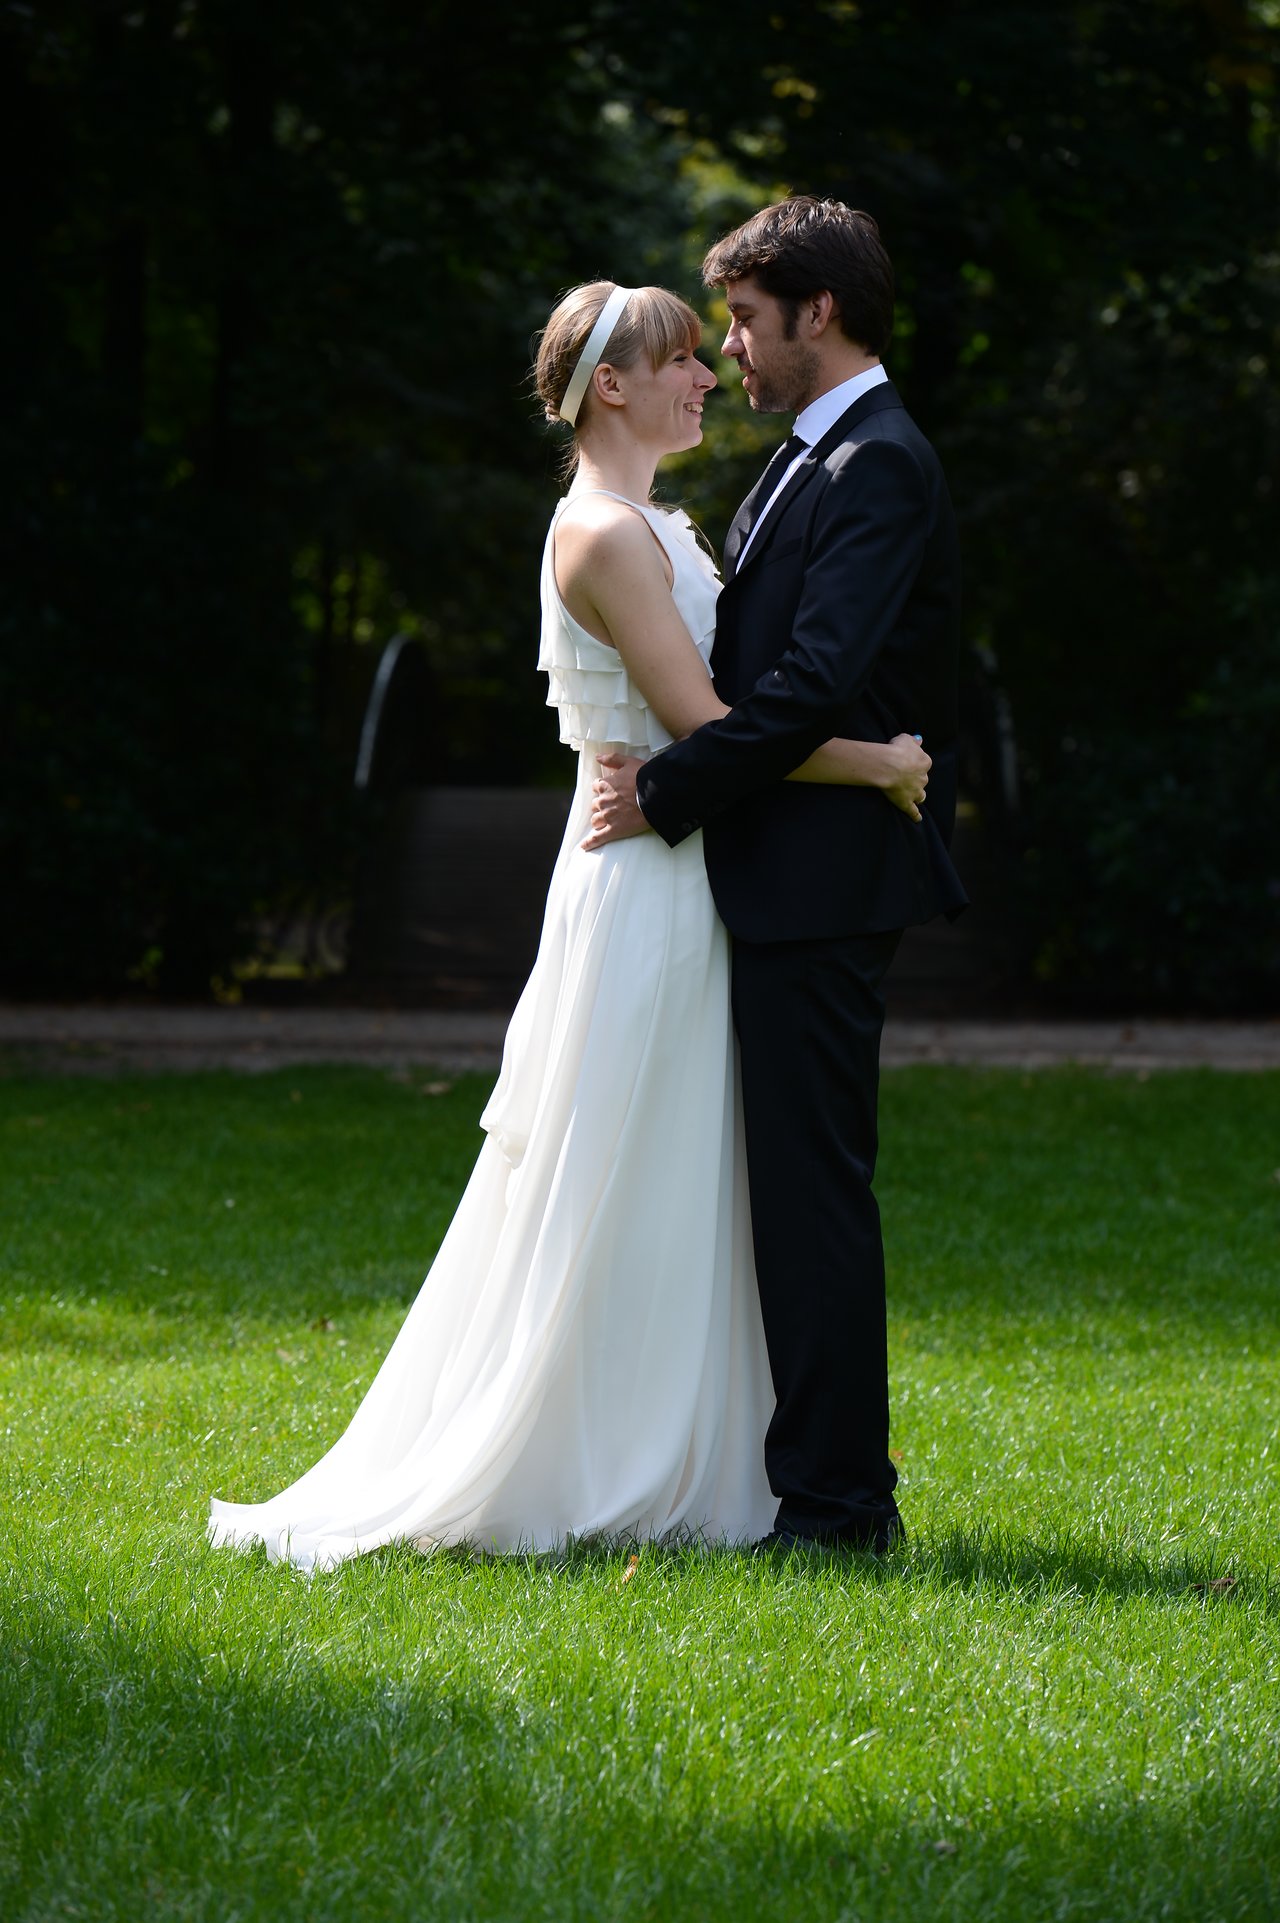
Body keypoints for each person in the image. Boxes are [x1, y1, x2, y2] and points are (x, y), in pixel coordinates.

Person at [207, 277, 930, 1572]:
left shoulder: (662, 522)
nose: (709, 378)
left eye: (715, 356)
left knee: (687, 1169)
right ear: (614, 383)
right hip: (645, 882)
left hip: (685, 863)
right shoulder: (601, 534)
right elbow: (708, 728)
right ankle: (595, 1457)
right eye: (684, 361)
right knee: (618, 1169)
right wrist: (874, 764)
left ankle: (711, 1461)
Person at [588, 200, 968, 1554]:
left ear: (820, 313)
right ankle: (789, 1479)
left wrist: (671, 791)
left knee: (812, 1195)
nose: (733, 351)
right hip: (778, 865)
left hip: (824, 883)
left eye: (747, 322)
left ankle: (838, 1507)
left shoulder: (879, 463)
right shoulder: (809, 458)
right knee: (783, 1191)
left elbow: (806, 685)